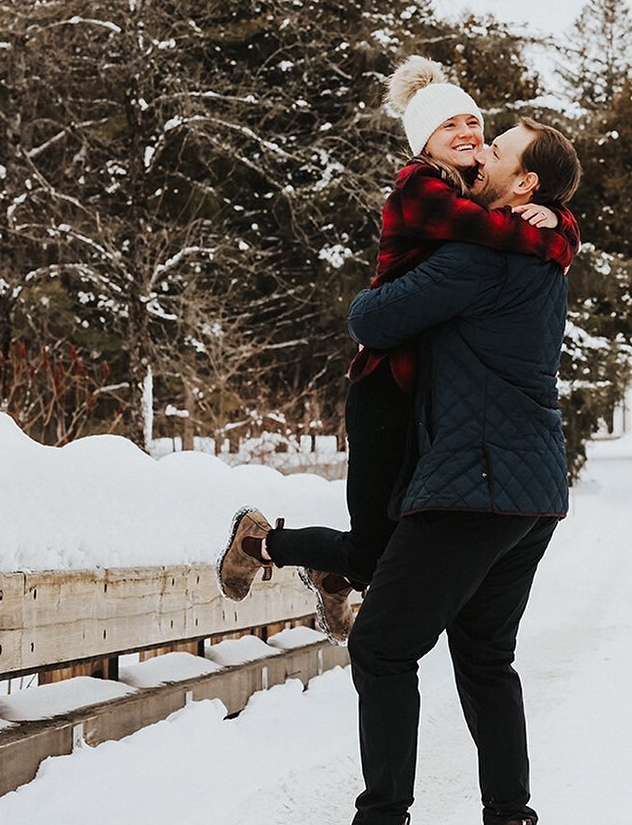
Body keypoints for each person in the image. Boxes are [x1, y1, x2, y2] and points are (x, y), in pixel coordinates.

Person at [278, 117, 582, 825]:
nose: (481, 154)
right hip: (532, 491)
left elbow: (370, 318)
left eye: (498, 151)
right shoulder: (542, 256)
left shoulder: (481, 255)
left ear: (526, 186)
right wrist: (562, 224)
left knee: (381, 646)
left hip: (471, 485)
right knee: (485, 657)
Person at [217, 58, 579, 643]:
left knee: (389, 541)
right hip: (384, 381)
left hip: (423, 396)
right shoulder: (422, 186)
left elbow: (497, 224)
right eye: (449, 127)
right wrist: (554, 234)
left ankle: (332, 576)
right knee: (376, 544)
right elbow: (489, 235)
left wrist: (559, 220)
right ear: (423, 143)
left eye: (475, 124)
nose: (470, 136)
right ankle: (264, 544)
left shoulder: (466, 191)